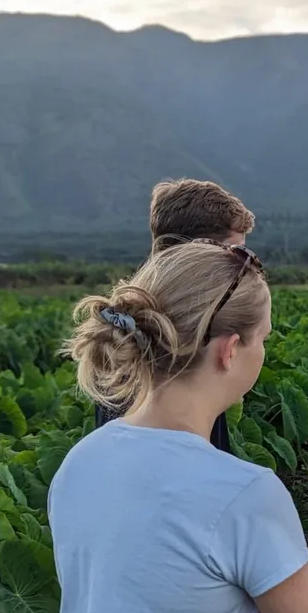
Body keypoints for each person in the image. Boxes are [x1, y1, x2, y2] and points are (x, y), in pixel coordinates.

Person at [50, 240, 308, 613]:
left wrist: (288, 592)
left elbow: (139, 605)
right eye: (262, 338)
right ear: (229, 351)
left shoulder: (79, 462)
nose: (263, 351)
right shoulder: (245, 493)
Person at [87, 178, 308, 613]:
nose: (240, 268)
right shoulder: (169, 351)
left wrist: (281, 586)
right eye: (231, 253)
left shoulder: (133, 334)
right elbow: (185, 511)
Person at [93, 178, 257, 452]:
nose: (241, 267)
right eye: (233, 252)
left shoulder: (126, 320)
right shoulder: (173, 331)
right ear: (196, 254)